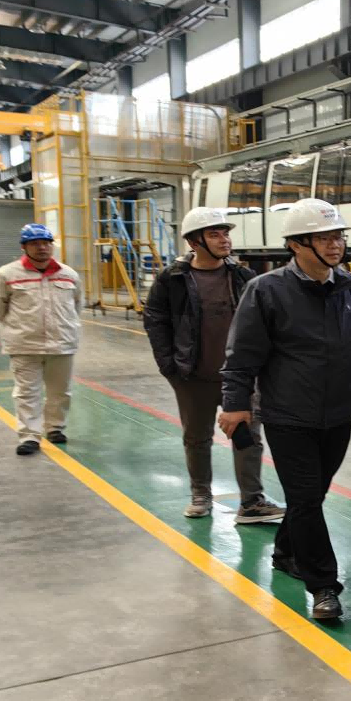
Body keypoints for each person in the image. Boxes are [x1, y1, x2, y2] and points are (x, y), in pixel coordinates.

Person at [219, 198, 351, 620]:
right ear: (297, 244)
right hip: (287, 414)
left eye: (339, 236)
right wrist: (235, 405)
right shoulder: (267, 290)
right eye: (324, 238)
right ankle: (323, 585)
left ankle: (285, 553)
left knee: (310, 495)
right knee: (307, 498)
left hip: (339, 413)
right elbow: (242, 354)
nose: (336, 245)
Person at [143, 207, 286, 524]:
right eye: (214, 234)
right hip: (193, 376)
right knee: (197, 437)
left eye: (225, 233)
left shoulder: (243, 277)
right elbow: (155, 321)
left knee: (247, 437)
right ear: (194, 242)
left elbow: (263, 324)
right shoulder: (173, 280)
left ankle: (251, 501)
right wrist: (170, 367)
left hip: (240, 378)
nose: (224, 240)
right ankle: (200, 494)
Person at [0, 224, 82, 456]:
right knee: (27, 393)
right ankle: (29, 436)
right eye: (35, 244)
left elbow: (77, 305)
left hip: (62, 343)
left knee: (61, 391)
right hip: (24, 344)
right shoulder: (7, 274)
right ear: (24, 247)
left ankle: (55, 428)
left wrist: (64, 325)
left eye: (46, 243)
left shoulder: (69, 274)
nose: (42, 248)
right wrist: (18, 325)